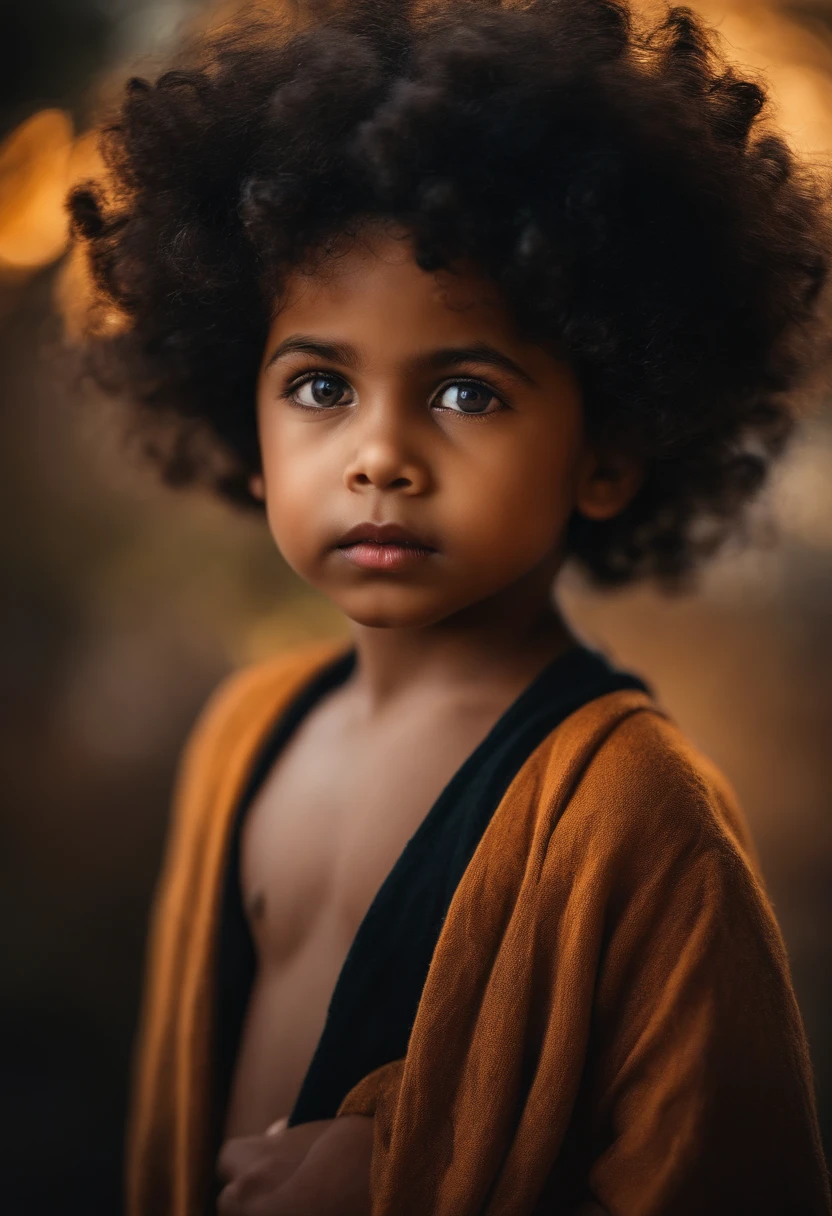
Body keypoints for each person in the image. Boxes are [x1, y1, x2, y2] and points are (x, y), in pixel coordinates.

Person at [66, 1, 832, 1212]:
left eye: (468, 393)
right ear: (246, 430)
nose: (379, 455)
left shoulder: (637, 820)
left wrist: (408, 1181)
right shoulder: (242, 736)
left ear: (609, 446)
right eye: (319, 384)